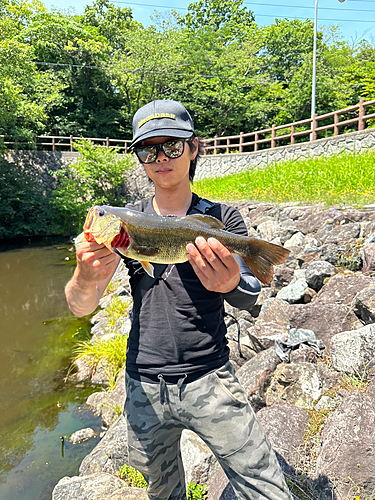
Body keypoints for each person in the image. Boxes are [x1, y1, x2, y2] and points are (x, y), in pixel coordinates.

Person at [65, 100, 293, 500]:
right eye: (148, 149)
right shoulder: (125, 225)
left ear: (193, 148)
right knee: (162, 491)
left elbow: (250, 295)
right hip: (142, 382)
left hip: (210, 375)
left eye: (171, 145)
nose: (160, 158)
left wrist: (228, 285)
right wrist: (87, 274)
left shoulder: (221, 218)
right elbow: (80, 307)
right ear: (139, 157)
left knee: (267, 489)